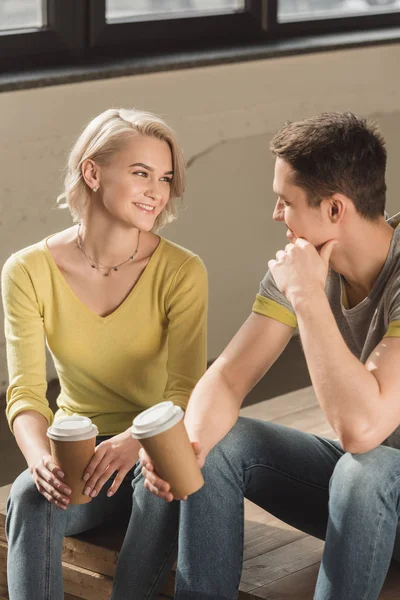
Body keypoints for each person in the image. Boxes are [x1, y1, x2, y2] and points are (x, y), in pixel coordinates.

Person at [139, 112, 400, 600]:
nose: (276, 215)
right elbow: (227, 379)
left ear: (336, 210)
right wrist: (189, 449)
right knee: (221, 437)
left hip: (374, 483)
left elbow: (362, 431)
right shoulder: (303, 262)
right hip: (365, 502)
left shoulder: (313, 275)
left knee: (366, 468)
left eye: (286, 201)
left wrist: (306, 297)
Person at [1, 107, 208, 600]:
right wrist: (39, 461)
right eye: (141, 173)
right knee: (29, 495)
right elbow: (26, 392)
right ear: (92, 172)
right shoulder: (27, 271)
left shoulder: (182, 271)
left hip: (154, 442)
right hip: (81, 451)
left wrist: (134, 442)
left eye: (164, 177)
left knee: (159, 489)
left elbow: (185, 391)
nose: (157, 191)